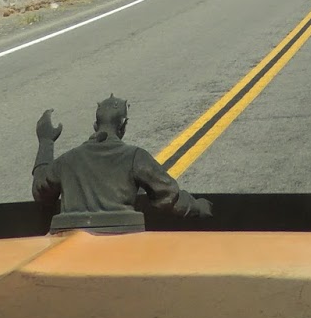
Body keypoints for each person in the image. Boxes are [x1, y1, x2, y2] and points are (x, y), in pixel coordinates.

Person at [32, 96, 211, 226]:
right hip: (122, 245)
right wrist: (200, 207)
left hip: (74, 247)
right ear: (123, 126)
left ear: (95, 126)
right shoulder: (135, 157)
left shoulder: (68, 160)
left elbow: (40, 191)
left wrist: (46, 142)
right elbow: (170, 199)